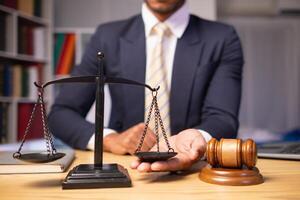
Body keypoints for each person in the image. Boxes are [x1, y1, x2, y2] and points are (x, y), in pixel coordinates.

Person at [48, 0, 244, 173]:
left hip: (194, 172)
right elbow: (61, 114)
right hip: (126, 169)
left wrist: (197, 139)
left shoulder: (222, 38)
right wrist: (111, 140)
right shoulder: (107, 36)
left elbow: (223, 118)